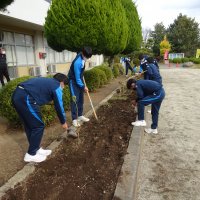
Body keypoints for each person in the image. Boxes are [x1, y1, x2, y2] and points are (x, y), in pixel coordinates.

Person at [12, 73, 68, 163]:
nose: (64, 88)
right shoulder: (56, 86)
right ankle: (30, 154)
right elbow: (59, 106)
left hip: (18, 95)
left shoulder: (49, 82)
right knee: (38, 126)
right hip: (26, 98)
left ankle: (36, 149)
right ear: (61, 82)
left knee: (30, 125)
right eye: (65, 85)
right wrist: (63, 122)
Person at [68, 46, 92, 127]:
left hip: (79, 79)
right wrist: (83, 87)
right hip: (73, 81)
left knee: (81, 99)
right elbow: (77, 79)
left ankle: (80, 115)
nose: (87, 59)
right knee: (74, 100)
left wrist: (82, 85)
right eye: (87, 57)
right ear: (83, 54)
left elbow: (80, 76)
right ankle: (74, 119)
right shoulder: (77, 62)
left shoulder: (82, 56)